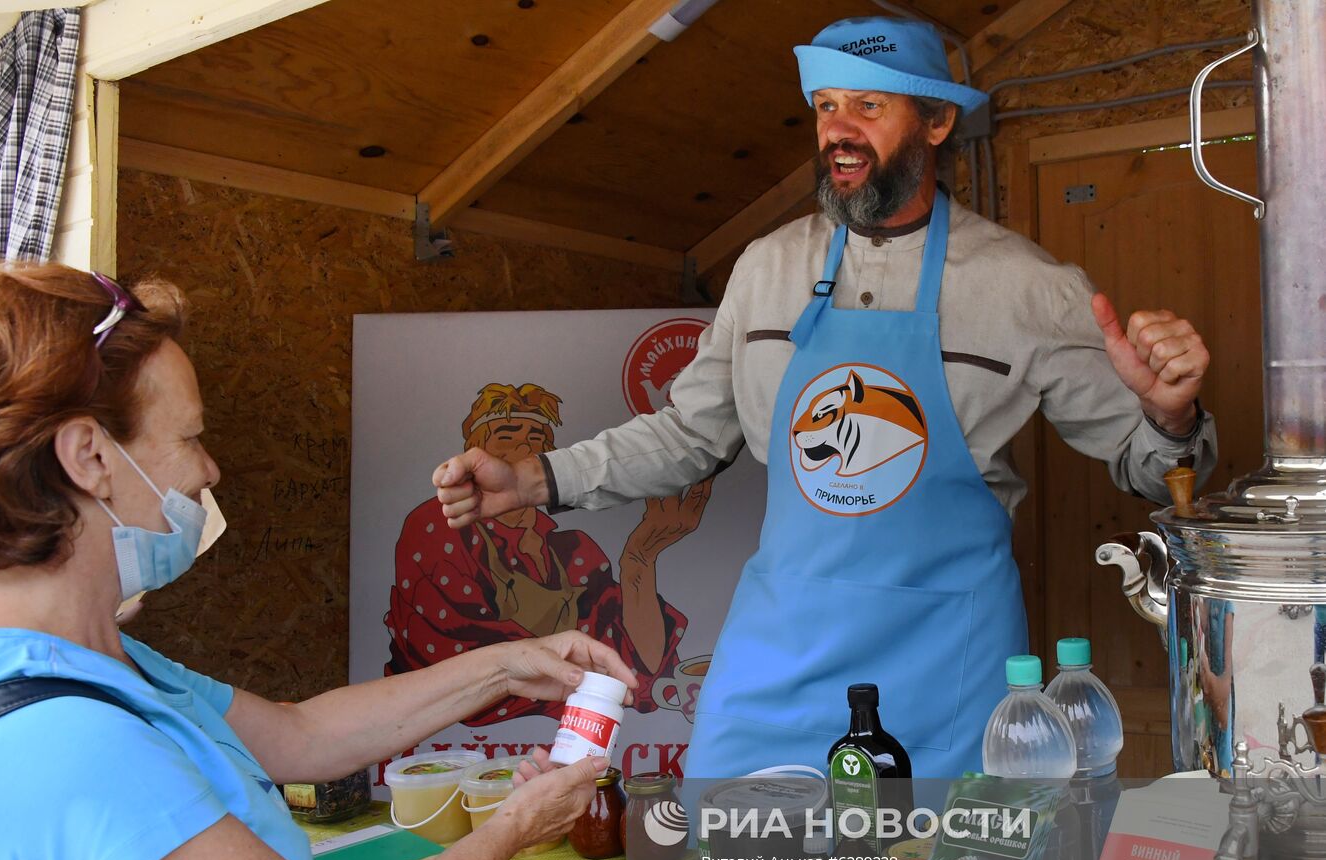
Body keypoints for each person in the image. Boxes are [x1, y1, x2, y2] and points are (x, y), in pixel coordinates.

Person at [434, 16, 1217, 780]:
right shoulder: (765, 269)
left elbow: (1152, 467)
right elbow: (689, 436)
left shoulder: (1028, 288)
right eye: (825, 106)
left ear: (937, 121)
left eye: (869, 107)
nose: (838, 129)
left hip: (945, 656)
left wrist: (1170, 414)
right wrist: (537, 478)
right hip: (782, 652)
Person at [0, 263, 636, 860]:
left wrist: (506, 666)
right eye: (190, 437)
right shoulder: (60, 738)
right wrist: (509, 830)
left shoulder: (76, 657)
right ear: (89, 457)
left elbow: (297, 736)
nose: (208, 469)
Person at [385, 381, 705, 725]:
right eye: (507, 434)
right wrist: (576, 681)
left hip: (567, 735)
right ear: (474, 452)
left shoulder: (574, 553)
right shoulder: (440, 525)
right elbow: (456, 665)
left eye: (537, 437)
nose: (525, 443)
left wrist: (639, 559)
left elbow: (638, 668)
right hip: (460, 741)